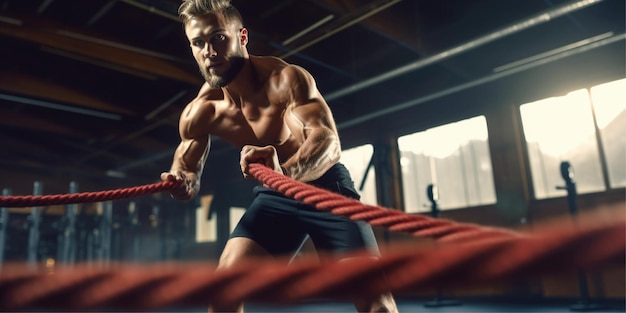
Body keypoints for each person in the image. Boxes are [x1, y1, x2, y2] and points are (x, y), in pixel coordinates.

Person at [161, 0, 398, 312]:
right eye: (198, 42)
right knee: (223, 293)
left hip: (325, 188)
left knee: (376, 303)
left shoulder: (285, 79)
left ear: (242, 37)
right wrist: (181, 185)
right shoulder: (200, 112)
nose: (209, 51)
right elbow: (187, 178)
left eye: (218, 37)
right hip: (276, 197)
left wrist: (286, 172)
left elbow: (328, 141)